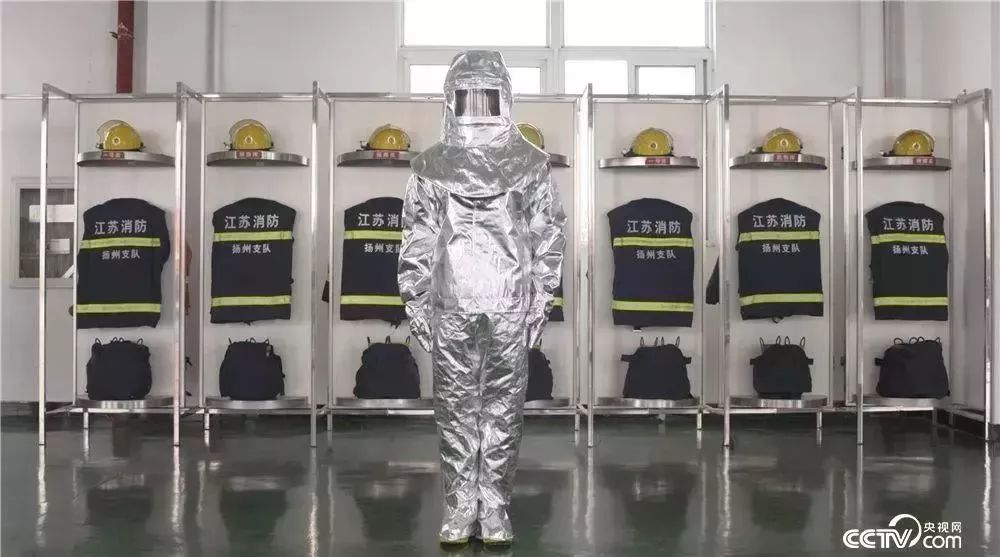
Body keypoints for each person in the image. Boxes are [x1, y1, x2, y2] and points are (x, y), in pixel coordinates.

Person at [397, 50, 566, 546]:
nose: (477, 107)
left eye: (486, 96)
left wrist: (539, 304)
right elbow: (417, 238)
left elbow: (548, 238)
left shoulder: (530, 165)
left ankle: (493, 508)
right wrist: (417, 305)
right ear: (451, 100)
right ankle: (458, 506)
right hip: (451, 304)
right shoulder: (430, 167)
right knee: (454, 412)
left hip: (510, 305)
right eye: (467, 96)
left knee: (503, 411)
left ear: (505, 99)